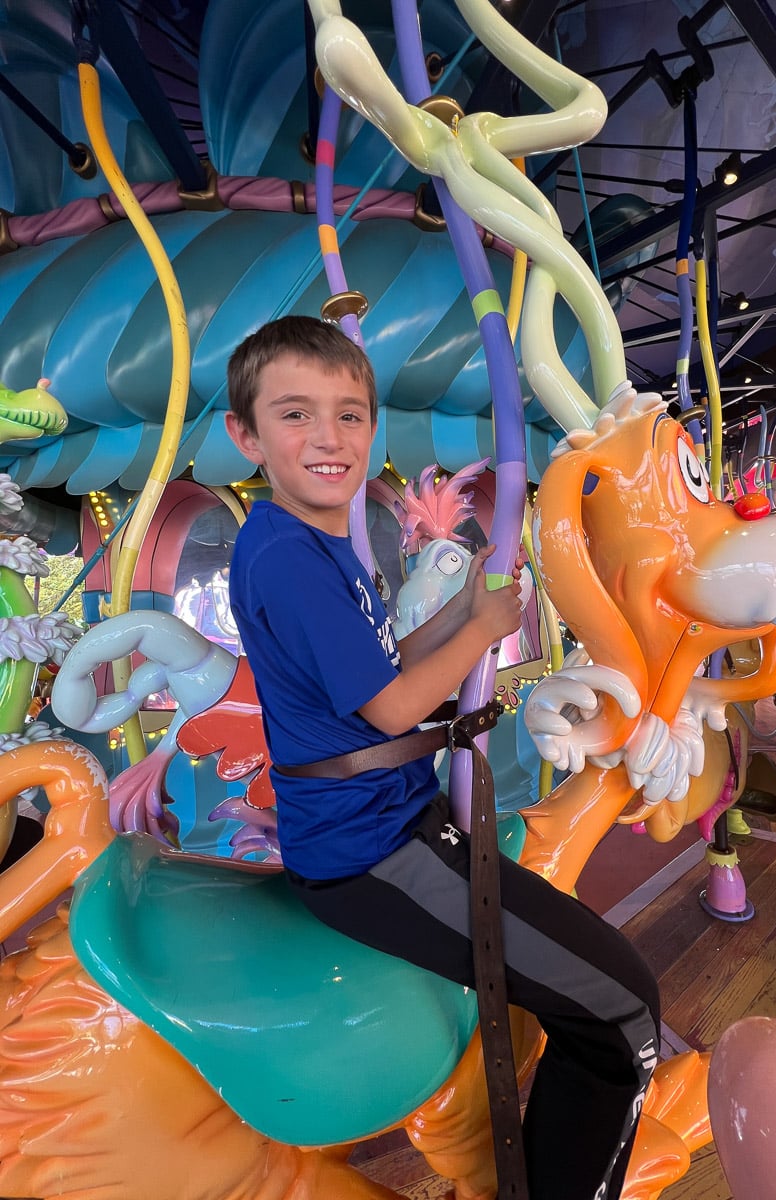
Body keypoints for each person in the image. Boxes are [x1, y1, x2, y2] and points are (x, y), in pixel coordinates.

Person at [224, 314, 660, 1200]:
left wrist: (465, 612)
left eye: (350, 414)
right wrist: (488, 634)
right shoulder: (289, 557)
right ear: (246, 435)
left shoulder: (315, 541)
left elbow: (382, 663)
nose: (330, 437)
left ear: (373, 428)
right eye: (296, 414)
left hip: (392, 820)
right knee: (624, 1013)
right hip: (370, 848)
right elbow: (391, 705)